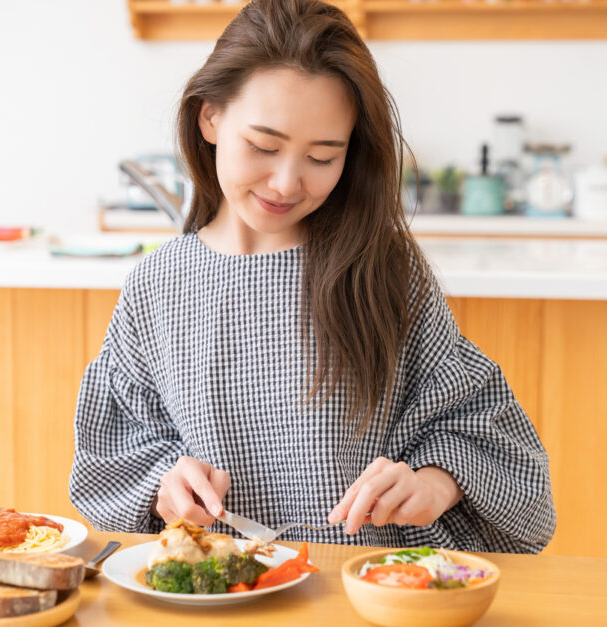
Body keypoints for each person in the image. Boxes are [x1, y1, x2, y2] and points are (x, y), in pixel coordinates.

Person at [69, 0, 555, 553]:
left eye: (322, 157)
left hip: (372, 585)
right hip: (220, 592)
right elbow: (111, 455)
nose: (285, 182)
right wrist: (165, 483)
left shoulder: (385, 270)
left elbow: (486, 428)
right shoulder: (156, 284)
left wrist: (433, 483)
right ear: (210, 117)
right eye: (263, 146)